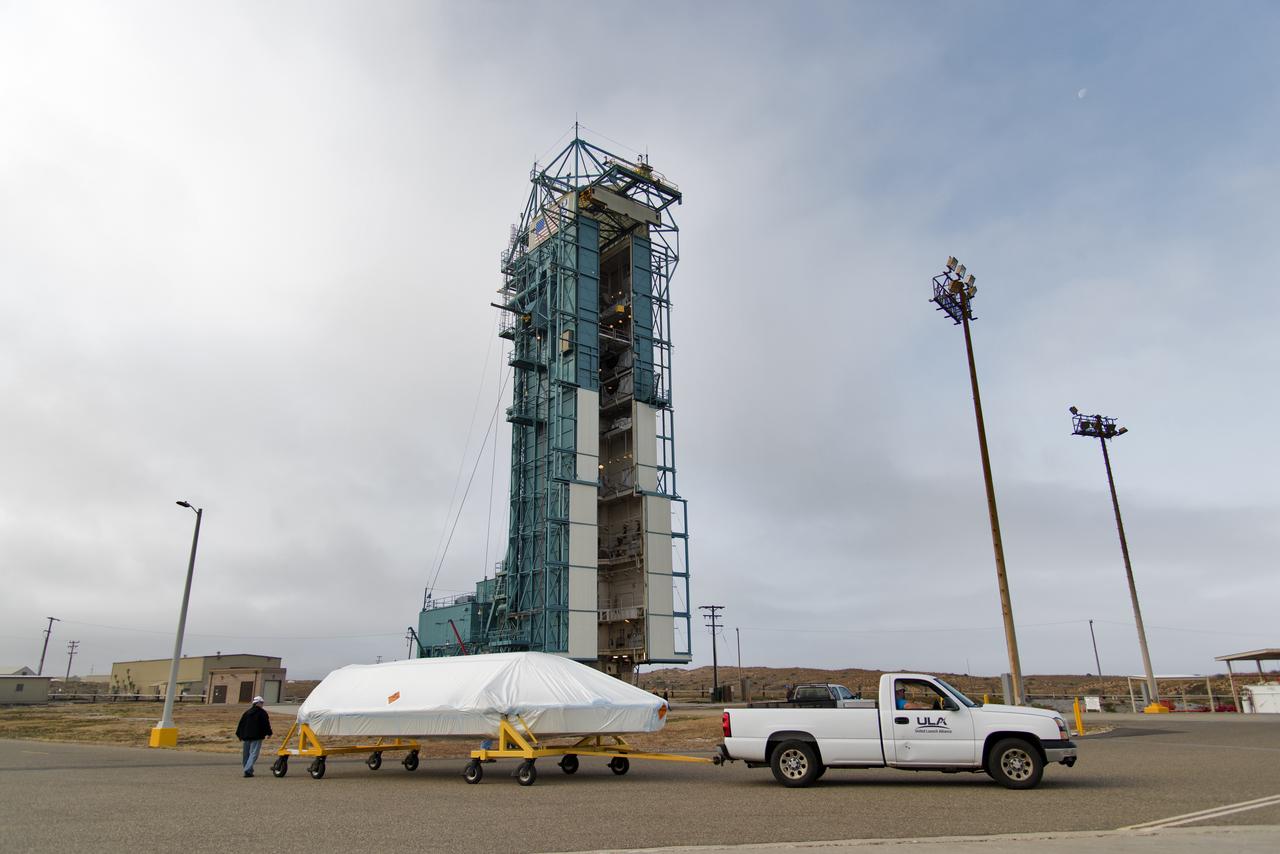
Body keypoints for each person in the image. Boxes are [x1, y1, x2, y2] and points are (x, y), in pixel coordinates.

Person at [235, 695, 273, 777]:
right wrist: (269, 733)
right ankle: (247, 769)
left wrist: (239, 735)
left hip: (246, 736)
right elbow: (265, 724)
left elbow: (241, 724)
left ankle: (248, 771)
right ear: (258, 703)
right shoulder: (262, 713)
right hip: (257, 736)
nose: (262, 704)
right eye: (262, 703)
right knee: (254, 754)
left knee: (246, 754)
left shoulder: (247, 713)